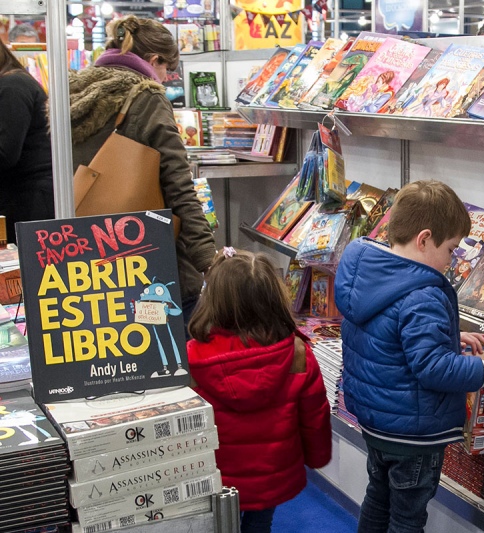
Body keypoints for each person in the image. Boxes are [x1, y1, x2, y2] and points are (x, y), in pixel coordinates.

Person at [334, 180, 484, 533]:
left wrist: (448, 336)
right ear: (424, 239)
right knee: (407, 519)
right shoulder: (422, 293)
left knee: (378, 499)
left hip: (378, 422)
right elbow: (434, 369)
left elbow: (389, 335)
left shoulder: (372, 274)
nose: (452, 259)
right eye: (452, 249)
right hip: (414, 432)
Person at [69, 16, 216, 323]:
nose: (165, 78)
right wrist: (206, 258)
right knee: (163, 350)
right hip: (145, 250)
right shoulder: (147, 96)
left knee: (114, 351)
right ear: (153, 60)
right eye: (167, 69)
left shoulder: (71, 93)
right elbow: (178, 184)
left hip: (84, 252)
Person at [187, 247, 333, 533]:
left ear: (213, 299)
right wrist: (317, 457)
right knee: (260, 525)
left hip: (214, 476)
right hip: (271, 473)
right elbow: (315, 415)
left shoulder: (194, 359)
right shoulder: (297, 354)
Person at [0, 42, 53, 244]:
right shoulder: (13, 84)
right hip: (26, 199)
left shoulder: (12, 87)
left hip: (29, 203)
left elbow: (5, 153)